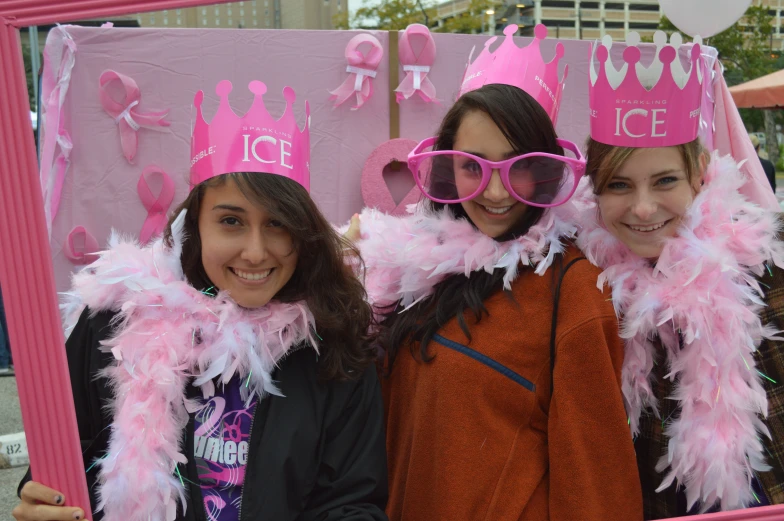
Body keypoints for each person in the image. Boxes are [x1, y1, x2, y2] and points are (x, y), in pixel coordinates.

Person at [13, 80, 388, 521]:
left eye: (278, 224)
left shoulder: (335, 345)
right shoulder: (112, 327)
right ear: (196, 225)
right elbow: (61, 469)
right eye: (231, 220)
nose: (254, 251)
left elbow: (351, 504)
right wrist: (45, 505)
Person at [347, 25, 643, 521]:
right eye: (472, 166)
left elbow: (596, 482)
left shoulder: (572, 289)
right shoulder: (422, 268)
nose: (497, 191)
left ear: (546, 168)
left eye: (518, 166)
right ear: (447, 166)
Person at [577, 32, 784, 517]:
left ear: (700, 174)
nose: (643, 207)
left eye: (665, 180)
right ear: (594, 193)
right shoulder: (586, 291)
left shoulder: (767, 272)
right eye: (619, 185)